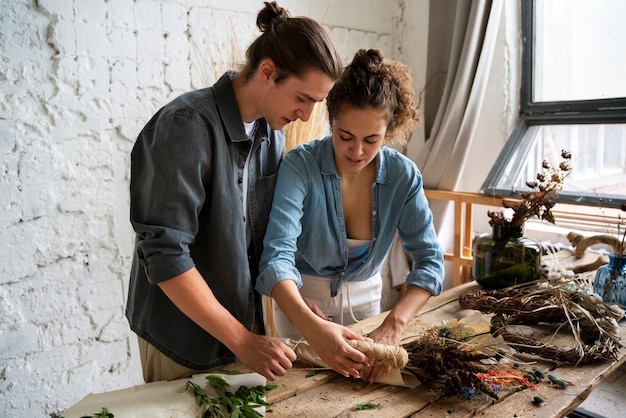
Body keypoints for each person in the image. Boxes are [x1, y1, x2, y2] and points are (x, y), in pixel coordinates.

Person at [125, 1, 344, 383]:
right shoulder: (185, 126)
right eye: (302, 98)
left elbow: (261, 242)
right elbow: (165, 255)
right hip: (184, 338)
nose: (307, 116)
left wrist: (294, 307)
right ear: (268, 72)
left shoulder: (270, 135)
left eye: (316, 103)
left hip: (243, 329)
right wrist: (243, 340)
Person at [256, 49, 445, 382]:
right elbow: (276, 259)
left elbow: (430, 262)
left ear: (389, 130)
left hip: (369, 305)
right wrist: (306, 319)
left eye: (371, 140)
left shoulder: (404, 176)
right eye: (345, 137)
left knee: (363, 396)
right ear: (331, 122)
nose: (356, 152)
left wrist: (393, 326)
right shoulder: (300, 165)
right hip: (301, 306)